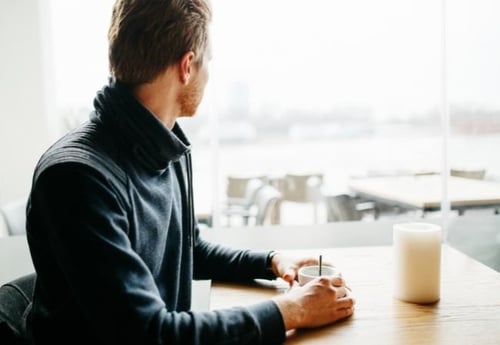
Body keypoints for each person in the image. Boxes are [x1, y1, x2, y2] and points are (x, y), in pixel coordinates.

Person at [25, 0, 355, 344]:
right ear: (187, 65)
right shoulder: (77, 178)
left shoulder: (167, 147)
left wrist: (272, 261)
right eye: (208, 61)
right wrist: (293, 310)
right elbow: (149, 333)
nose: (209, 74)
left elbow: (188, 249)